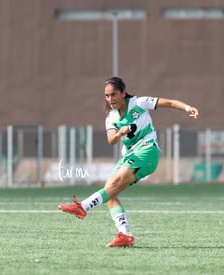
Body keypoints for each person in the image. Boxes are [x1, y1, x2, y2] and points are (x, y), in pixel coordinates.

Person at [58, 76, 199, 247]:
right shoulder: (111, 117)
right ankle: (125, 234)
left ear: (123, 93)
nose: (110, 99)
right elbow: (111, 140)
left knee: (112, 186)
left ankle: (83, 207)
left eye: (113, 94)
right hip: (130, 155)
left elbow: (168, 103)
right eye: (107, 96)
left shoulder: (139, 103)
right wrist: (119, 133)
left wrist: (187, 108)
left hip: (147, 150)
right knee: (109, 193)